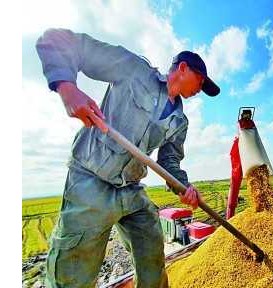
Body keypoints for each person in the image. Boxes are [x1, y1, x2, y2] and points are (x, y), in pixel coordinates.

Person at [35, 28, 220, 288]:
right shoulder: (134, 70)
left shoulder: (180, 121)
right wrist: (67, 88)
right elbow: (55, 41)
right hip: (91, 178)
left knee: (151, 250)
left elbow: (170, 163)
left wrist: (184, 187)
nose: (200, 90)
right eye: (201, 82)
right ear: (183, 68)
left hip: (130, 188)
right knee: (73, 273)